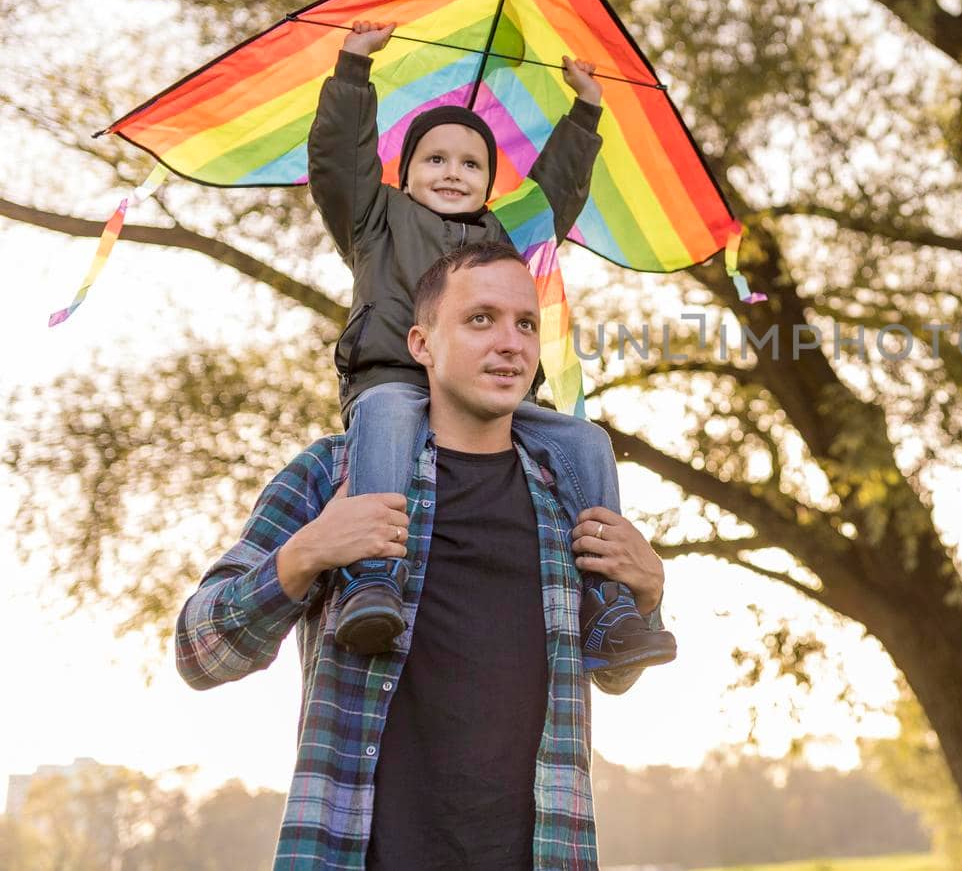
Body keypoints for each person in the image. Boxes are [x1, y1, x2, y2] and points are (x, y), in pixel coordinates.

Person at [176, 241, 666, 869]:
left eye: (526, 324)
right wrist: (305, 555)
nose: (511, 342)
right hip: (358, 853)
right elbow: (200, 652)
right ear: (421, 344)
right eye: (480, 319)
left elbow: (611, 675)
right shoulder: (336, 475)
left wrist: (647, 598)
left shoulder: (566, 498)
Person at [307, 19, 674, 672]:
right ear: (405, 169)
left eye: (471, 162)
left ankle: (608, 602)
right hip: (395, 378)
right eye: (436, 159)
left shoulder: (503, 237)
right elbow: (338, 158)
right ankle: (373, 579)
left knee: (584, 440)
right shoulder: (375, 217)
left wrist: (586, 110)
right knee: (388, 419)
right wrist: (354, 69)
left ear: (488, 181)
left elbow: (557, 191)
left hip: (482, 401)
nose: (453, 171)